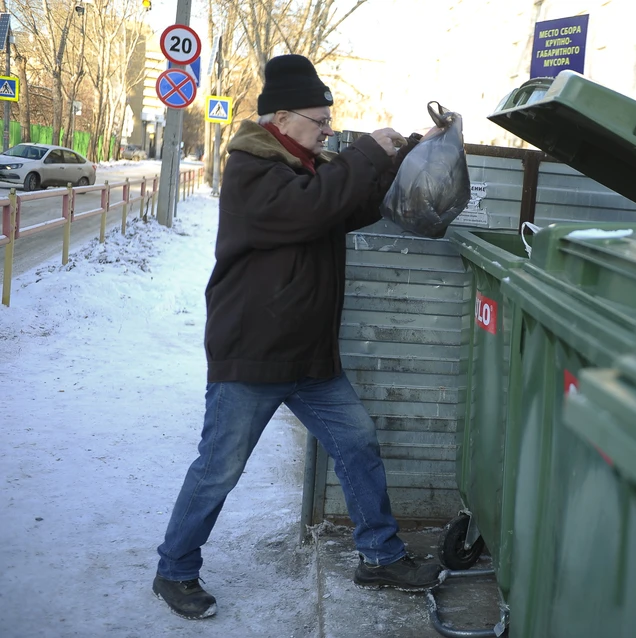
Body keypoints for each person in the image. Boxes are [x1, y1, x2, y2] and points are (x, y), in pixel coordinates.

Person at [152, 54, 442, 620]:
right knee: (219, 468)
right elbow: (313, 209)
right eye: (321, 119)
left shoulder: (305, 167)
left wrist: (406, 150)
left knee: (357, 444)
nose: (330, 128)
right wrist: (362, 153)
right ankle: (175, 569)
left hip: (309, 359)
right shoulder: (252, 171)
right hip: (253, 355)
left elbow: (350, 205)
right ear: (281, 119)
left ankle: (379, 555)